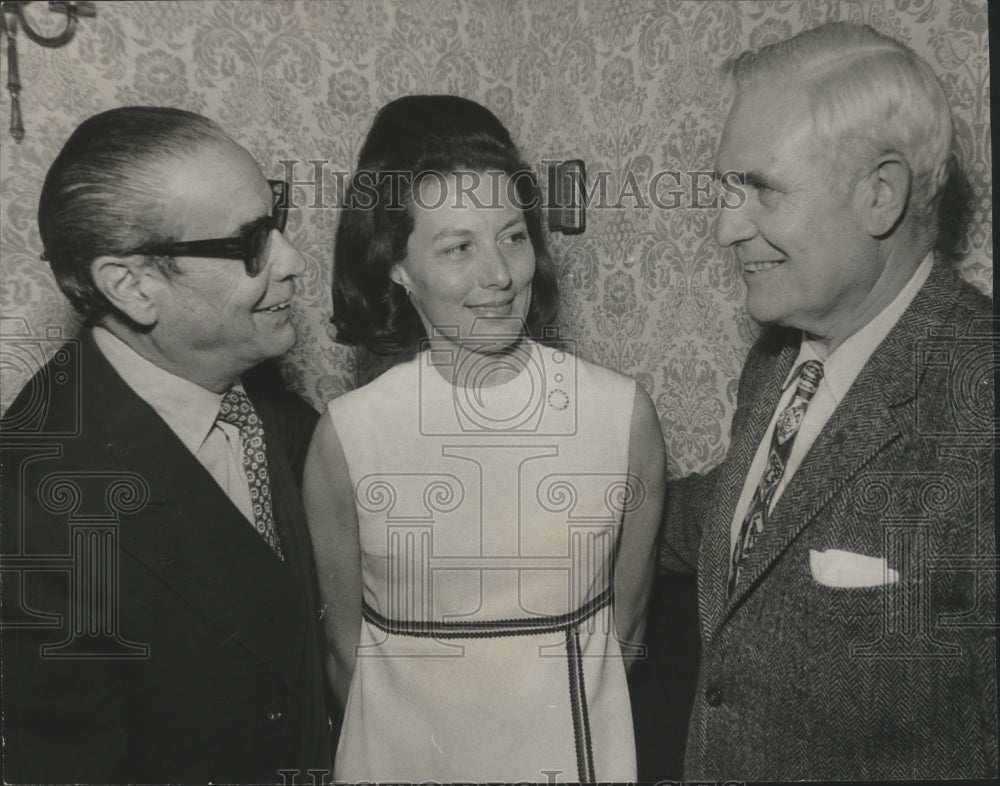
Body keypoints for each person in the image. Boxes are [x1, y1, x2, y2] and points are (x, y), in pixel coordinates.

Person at [659, 22, 996, 780]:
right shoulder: (780, 357)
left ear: (880, 194)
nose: (725, 227)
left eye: (763, 190)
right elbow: (746, 517)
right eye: (726, 190)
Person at [304, 95, 665, 782]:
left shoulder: (621, 417)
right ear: (398, 269)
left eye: (513, 236)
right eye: (458, 247)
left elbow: (628, 634)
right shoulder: (348, 438)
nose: (498, 275)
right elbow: (345, 655)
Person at [0, 107, 333, 783]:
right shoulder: (34, 507)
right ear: (131, 285)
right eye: (249, 244)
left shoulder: (267, 398)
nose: (294, 261)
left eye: (278, 221)